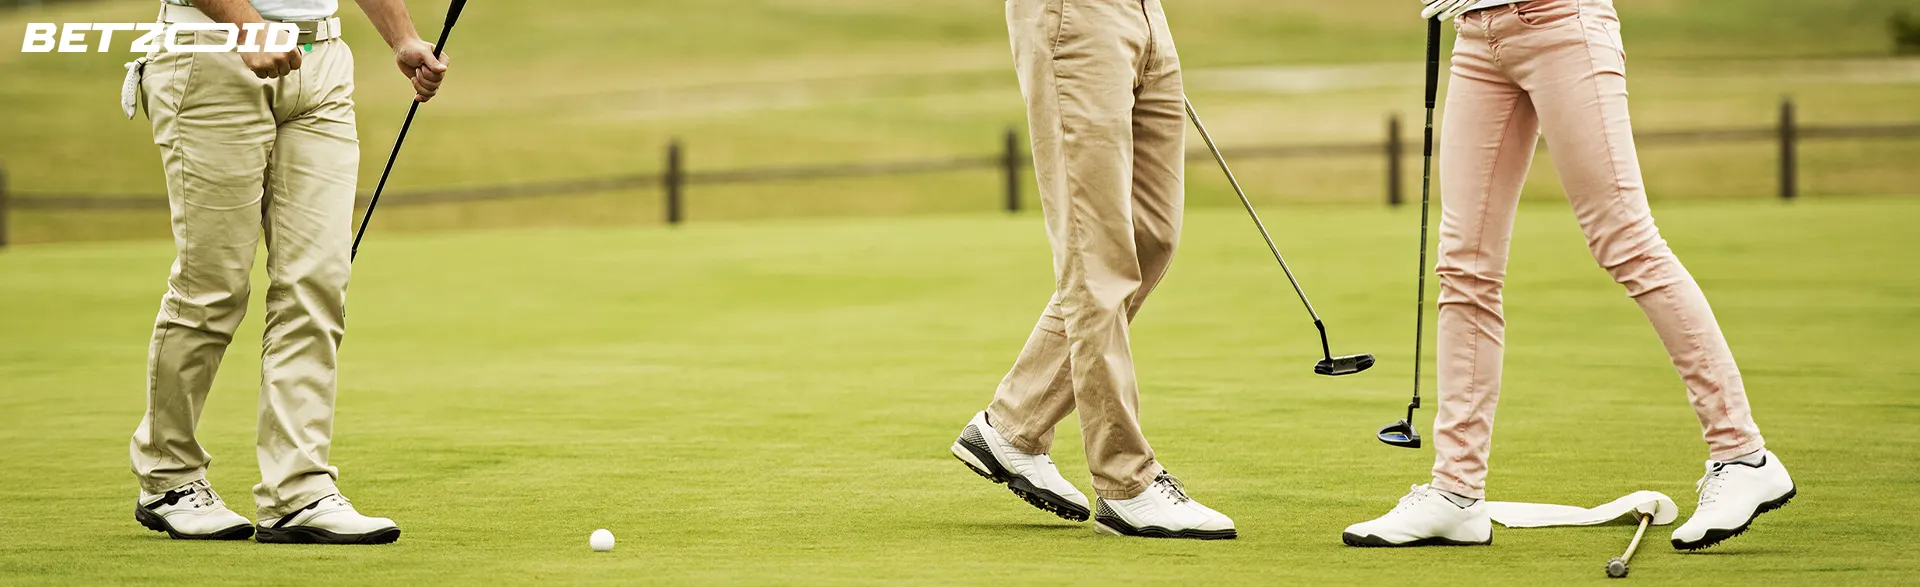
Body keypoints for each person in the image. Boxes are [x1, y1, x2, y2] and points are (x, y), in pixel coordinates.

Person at [1342, 0, 1794, 550]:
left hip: (1561, 23)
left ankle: (1743, 455)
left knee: (1626, 243)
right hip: (1476, 35)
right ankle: (1456, 492)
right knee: (1463, 266)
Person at [126, 0, 448, 544]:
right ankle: (168, 477)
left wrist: (402, 36)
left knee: (317, 283)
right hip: (211, 53)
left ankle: (298, 491)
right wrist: (248, 28)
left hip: (320, 63)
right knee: (212, 288)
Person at [946, 0, 1234, 540]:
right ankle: (1126, 483)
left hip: (1146, 17)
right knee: (1099, 260)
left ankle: (1014, 424)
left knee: (1150, 239)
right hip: (1076, 18)